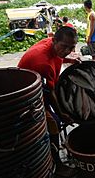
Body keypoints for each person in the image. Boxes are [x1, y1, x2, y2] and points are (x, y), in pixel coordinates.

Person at [17, 26, 79, 176]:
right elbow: (50, 93)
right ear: (55, 40)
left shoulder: (50, 44)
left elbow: (59, 56)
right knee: (54, 123)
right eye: (64, 47)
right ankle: (57, 164)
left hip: (40, 86)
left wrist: (69, 59)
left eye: (71, 48)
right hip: (27, 96)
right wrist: (62, 113)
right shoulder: (43, 62)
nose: (66, 51)